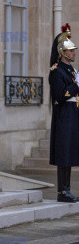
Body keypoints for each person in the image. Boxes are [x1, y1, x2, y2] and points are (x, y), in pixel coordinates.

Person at [49, 23, 79, 203]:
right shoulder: (57, 71)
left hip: (73, 112)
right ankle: (62, 191)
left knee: (70, 151)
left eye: (74, 50)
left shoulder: (71, 70)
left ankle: (68, 189)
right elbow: (60, 96)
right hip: (64, 113)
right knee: (64, 152)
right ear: (63, 53)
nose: (74, 53)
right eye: (71, 51)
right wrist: (76, 85)